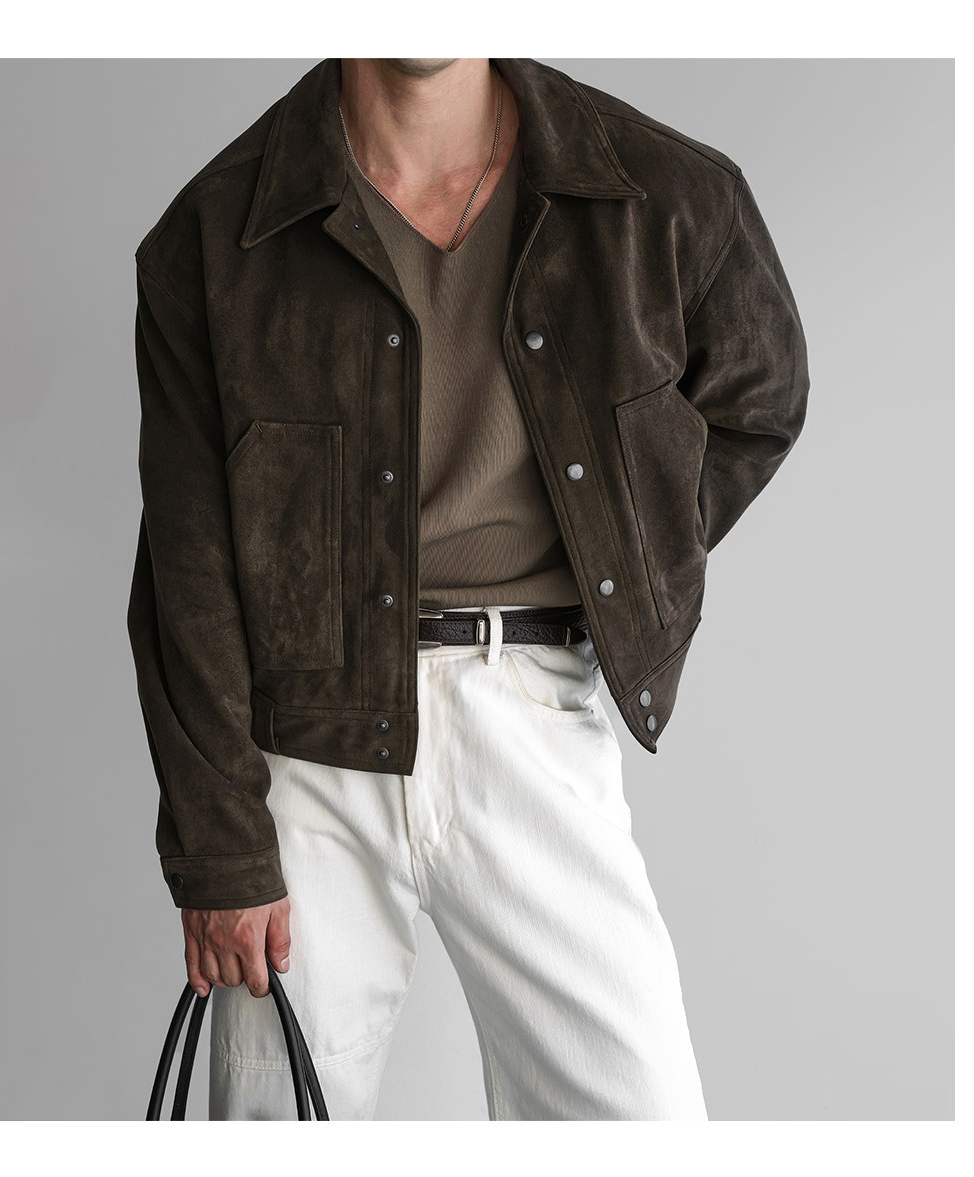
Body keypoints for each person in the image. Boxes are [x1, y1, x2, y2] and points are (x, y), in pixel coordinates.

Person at [127, 57, 809, 1121]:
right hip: (303, 749)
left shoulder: (659, 194)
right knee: (275, 1122)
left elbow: (758, 399)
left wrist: (622, 557)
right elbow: (186, 572)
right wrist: (219, 852)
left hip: (528, 705)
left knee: (638, 1114)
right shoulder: (217, 231)